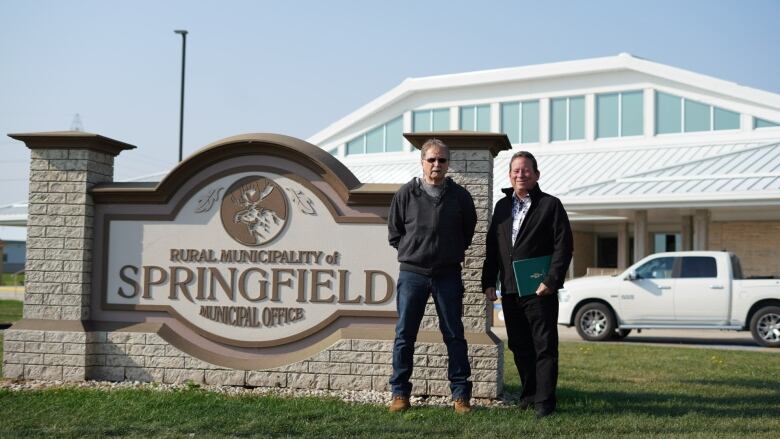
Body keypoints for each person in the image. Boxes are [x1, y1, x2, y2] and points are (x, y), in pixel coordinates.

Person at [387, 138, 477, 414]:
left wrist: (447, 252)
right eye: (432, 160)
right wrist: (416, 251)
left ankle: (461, 395)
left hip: (447, 275)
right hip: (413, 274)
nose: (437, 164)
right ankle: (400, 394)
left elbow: (467, 232)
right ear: (422, 162)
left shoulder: (460, 196)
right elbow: (395, 233)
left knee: (454, 334)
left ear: (448, 164)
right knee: (405, 334)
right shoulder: (406, 194)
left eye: (442, 160)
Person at [481, 151, 573, 418]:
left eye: (526, 170)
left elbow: (563, 246)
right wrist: (489, 281)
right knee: (519, 345)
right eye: (516, 171)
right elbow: (493, 247)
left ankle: (545, 402)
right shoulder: (501, 207)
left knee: (544, 346)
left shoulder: (550, 205)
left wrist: (551, 281)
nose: (521, 175)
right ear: (510, 175)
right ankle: (530, 394)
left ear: (536, 174)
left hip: (539, 290)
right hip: (510, 289)